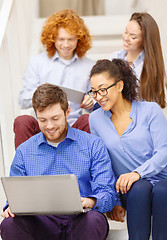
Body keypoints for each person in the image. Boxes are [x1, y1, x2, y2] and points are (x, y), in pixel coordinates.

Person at [0, 83, 118, 240]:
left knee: (93, 220)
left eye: (55, 118)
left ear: (67, 112)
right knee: (9, 224)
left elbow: (108, 193)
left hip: (80, 219)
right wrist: (10, 207)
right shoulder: (24, 151)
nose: (49, 126)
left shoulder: (92, 145)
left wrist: (91, 201)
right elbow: (15, 197)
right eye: (42, 120)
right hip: (40, 222)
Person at [88, 59, 167, 240]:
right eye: (94, 92)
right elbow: (101, 163)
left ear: (119, 85)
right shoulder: (95, 119)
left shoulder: (150, 110)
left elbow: (164, 152)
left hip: (162, 180)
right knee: (139, 188)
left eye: (103, 89)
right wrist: (114, 200)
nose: (98, 97)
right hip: (129, 189)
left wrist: (137, 173)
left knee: (162, 191)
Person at [14, 9, 95, 149]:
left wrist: (91, 102)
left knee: (89, 120)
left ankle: (85, 167)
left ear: (79, 39)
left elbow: (98, 103)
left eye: (71, 39)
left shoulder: (89, 66)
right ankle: (25, 168)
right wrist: (40, 92)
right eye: (61, 39)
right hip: (44, 127)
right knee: (22, 121)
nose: (66, 44)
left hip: (73, 127)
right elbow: (22, 101)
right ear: (53, 39)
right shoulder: (37, 62)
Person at [109, 12, 166, 108]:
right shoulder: (113, 57)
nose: (126, 38)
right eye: (126, 32)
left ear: (145, 40)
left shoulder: (149, 68)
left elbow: (153, 107)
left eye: (133, 37)